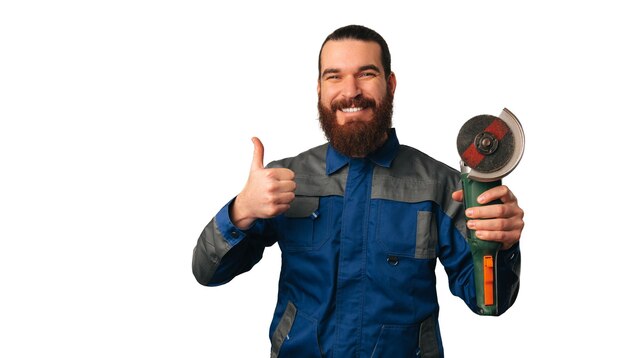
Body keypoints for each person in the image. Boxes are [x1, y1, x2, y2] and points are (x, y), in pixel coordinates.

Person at [192, 25, 524, 357]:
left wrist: (500, 245)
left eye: (366, 74)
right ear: (319, 89)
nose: (351, 91)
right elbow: (207, 272)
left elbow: (490, 303)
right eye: (334, 77)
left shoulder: (439, 186)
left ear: (390, 85)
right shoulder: (283, 181)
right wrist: (242, 210)